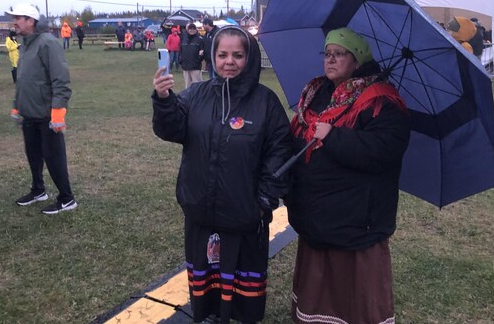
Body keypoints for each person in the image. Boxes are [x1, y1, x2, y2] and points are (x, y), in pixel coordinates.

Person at [152, 25, 292, 324]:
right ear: (212, 57)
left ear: (249, 58)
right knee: (207, 278)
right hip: (200, 212)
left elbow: (279, 151)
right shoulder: (196, 94)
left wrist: (265, 198)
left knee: (243, 286)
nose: (229, 61)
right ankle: (209, 316)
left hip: (245, 216)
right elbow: (171, 129)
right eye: (223, 54)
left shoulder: (265, 102)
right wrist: (164, 100)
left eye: (238, 55)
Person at [286, 28, 411, 324]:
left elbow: (385, 150)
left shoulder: (382, 101)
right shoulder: (316, 92)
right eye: (327, 54)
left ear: (357, 60)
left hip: (356, 216)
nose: (330, 60)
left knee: (351, 288)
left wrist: (334, 136)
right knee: (318, 273)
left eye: (339, 54)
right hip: (317, 209)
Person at [5, 3, 78, 215]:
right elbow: (23, 80)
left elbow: (61, 80)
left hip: (47, 116)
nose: (15, 21)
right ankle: (38, 190)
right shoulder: (25, 44)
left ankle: (67, 198)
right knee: (33, 155)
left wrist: (57, 113)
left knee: (54, 158)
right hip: (29, 114)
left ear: (31, 21)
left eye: (19, 17)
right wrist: (17, 107)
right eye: (15, 17)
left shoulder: (48, 43)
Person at [179, 23, 204, 88]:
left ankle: (198, 98)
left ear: (196, 30)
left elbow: (202, 52)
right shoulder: (184, 39)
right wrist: (181, 60)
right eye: (190, 29)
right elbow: (180, 51)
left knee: (198, 86)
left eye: (193, 29)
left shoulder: (199, 40)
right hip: (185, 67)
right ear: (188, 30)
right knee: (188, 87)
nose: (192, 30)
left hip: (195, 67)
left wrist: (198, 60)